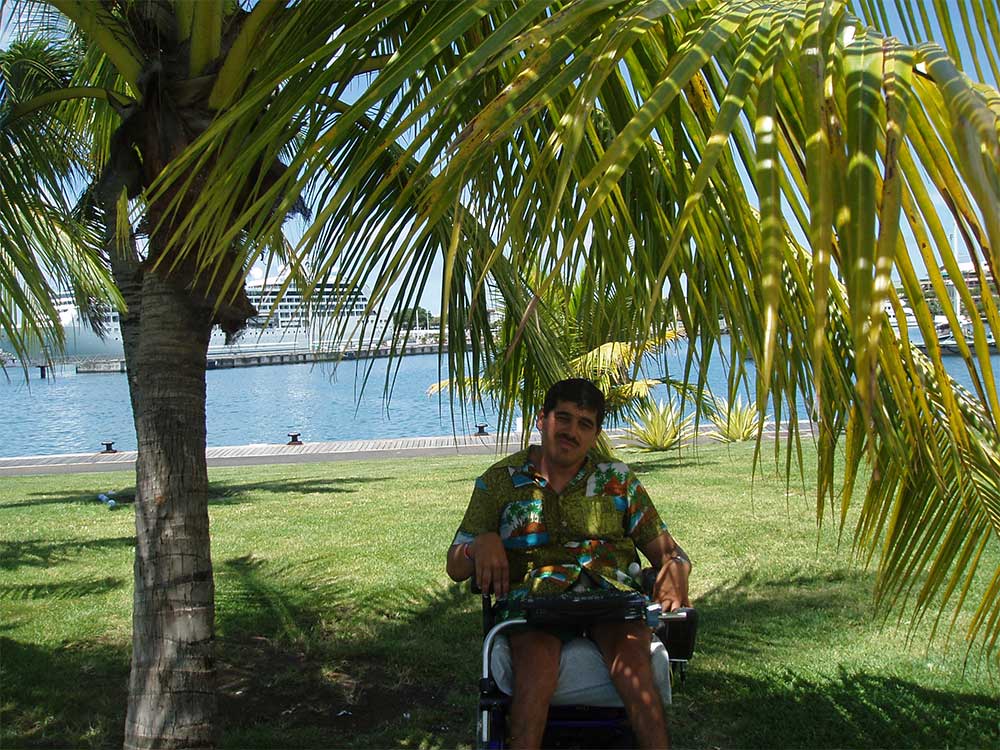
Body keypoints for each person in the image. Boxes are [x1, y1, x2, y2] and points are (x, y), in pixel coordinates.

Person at [446, 378, 691, 749]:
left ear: (595, 434)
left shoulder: (617, 480)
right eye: (563, 418)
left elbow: (670, 552)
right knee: (536, 664)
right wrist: (479, 545)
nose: (572, 431)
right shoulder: (499, 482)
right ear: (542, 419)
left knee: (634, 665)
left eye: (585, 423)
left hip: (611, 600)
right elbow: (455, 564)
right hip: (535, 604)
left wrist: (676, 569)